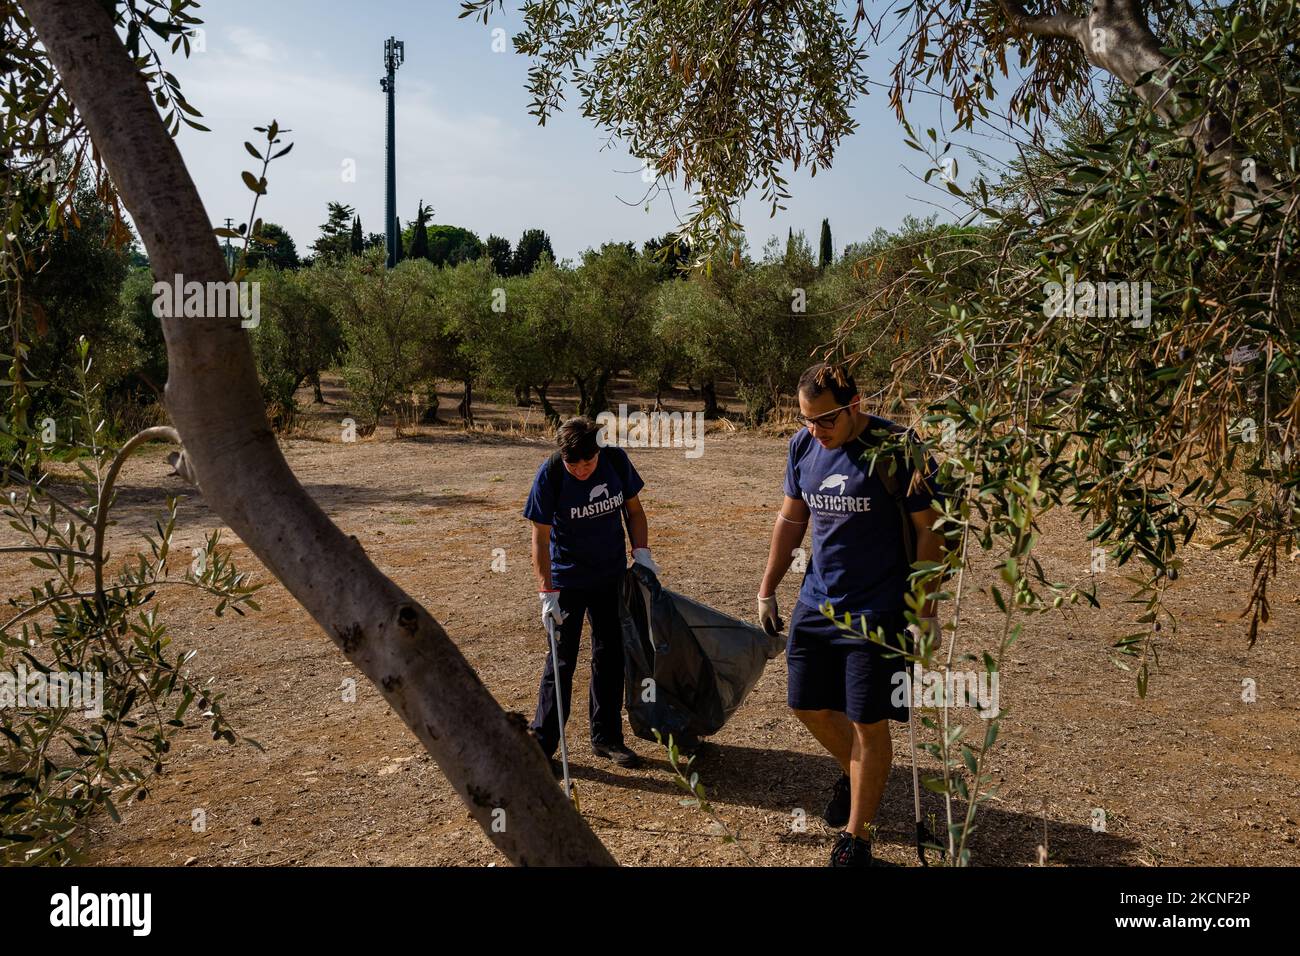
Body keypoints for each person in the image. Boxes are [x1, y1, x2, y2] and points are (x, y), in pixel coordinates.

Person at [757, 363, 946, 867]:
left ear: (855, 405)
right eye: (805, 421)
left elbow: (932, 530)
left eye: (824, 421)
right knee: (805, 705)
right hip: (817, 602)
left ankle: (856, 838)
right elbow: (791, 518)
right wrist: (767, 588)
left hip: (879, 610)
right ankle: (860, 772)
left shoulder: (897, 448)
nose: (815, 432)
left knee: (868, 721)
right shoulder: (804, 448)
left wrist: (924, 609)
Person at [523, 416, 659, 770]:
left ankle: (607, 737)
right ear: (562, 457)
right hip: (566, 582)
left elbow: (634, 510)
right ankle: (542, 744)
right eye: (574, 464)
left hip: (610, 576)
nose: (582, 469)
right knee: (560, 661)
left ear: (599, 451)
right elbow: (539, 537)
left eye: (588, 461)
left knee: (611, 655)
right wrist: (546, 591)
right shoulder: (550, 474)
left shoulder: (615, 461)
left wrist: (641, 552)